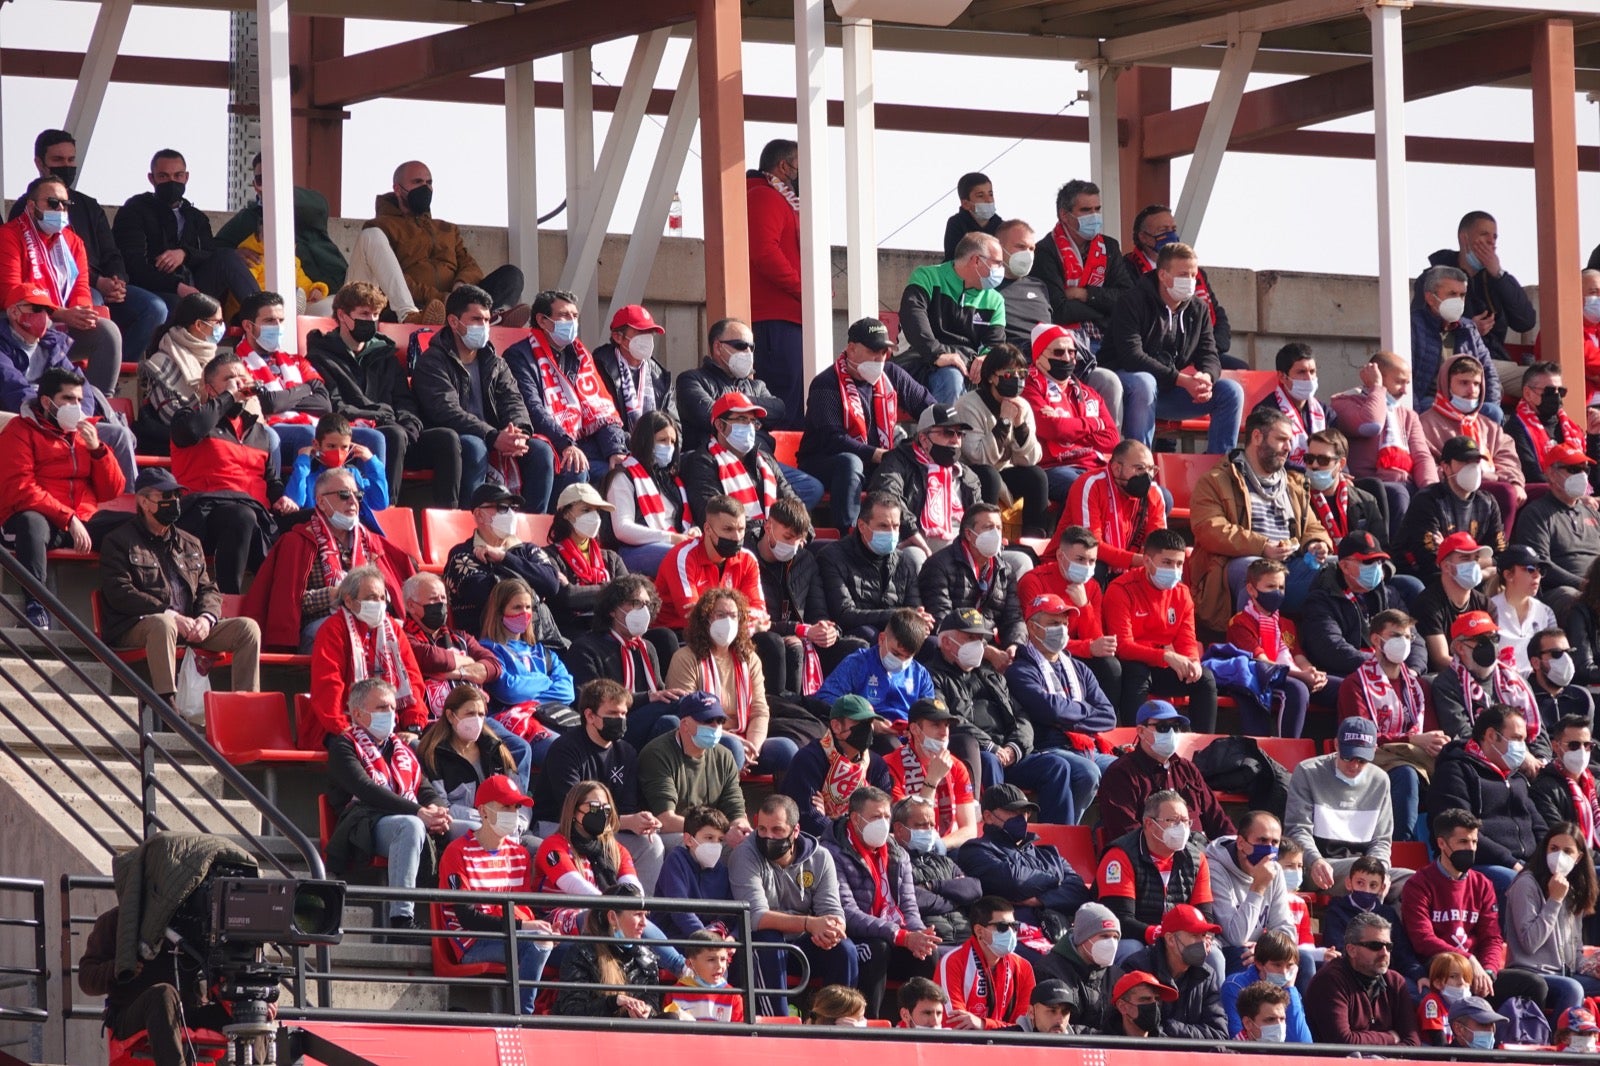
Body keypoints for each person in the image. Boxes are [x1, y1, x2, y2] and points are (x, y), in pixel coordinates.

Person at [98, 468, 262, 706]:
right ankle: (168, 708)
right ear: (144, 502)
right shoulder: (118, 541)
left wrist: (206, 618)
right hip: (136, 625)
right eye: (166, 497)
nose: (174, 502)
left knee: (248, 628)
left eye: (177, 496)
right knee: (163, 624)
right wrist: (171, 614)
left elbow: (208, 589)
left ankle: (246, 707)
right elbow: (120, 592)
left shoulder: (189, 542)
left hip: (189, 625)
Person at [11, 129, 165, 371]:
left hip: (97, 288)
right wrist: (97, 285)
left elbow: (111, 252)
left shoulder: (88, 206)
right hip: (58, 296)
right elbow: (19, 283)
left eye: (71, 160)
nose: (67, 166)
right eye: (58, 160)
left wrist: (117, 281)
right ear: (40, 164)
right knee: (94, 303)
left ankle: (119, 368)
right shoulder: (22, 212)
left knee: (155, 308)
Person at [305, 281, 464, 508]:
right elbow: (336, 406)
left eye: (375, 314)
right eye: (364, 314)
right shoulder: (321, 356)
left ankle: (448, 517)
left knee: (446, 438)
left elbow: (404, 401)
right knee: (394, 434)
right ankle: (388, 511)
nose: (370, 321)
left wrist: (410, 426)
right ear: (342, 315)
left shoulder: (385, 356)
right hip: (353, 437)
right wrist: (381, 415)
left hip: (396, 433)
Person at [0, 365, 125, 627]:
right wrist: (68, 518)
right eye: (68, 399)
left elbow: (112, 491)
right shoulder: (19, 431)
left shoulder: (86, 434)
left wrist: (98, 451)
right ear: (47, 402)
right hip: (37, 518)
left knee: (135, 524)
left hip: (82, 519)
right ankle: (36, 604)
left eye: (79, 399)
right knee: (31, 522)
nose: (76, 405)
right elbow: (21, 488)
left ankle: (130, 608)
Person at [412, 284, 554, 511]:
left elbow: (514, 401)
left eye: (487, 320)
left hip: (495, 435)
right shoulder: (432, 362)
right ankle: (472, 524)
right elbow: (446, 411)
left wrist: (518, 433)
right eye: (476, 319)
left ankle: (531, 534)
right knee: (475, 446)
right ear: (453, 322)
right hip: (454, 439)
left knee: (540, 451)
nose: (484, 326)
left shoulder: (495, 362)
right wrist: (492, 436)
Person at [1190, 406, 1332, 633]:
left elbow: (1312, 526)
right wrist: (1262, 546)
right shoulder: (1216, 480)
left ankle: (1324, 648)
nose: (1289, 447)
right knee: (1256, 571)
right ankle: (1252, 649)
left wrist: (1316, 543)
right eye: (1282, 439)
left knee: (1341, 569)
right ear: (1257, 437)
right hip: (1239, 566)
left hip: (1290, 566)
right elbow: (1209, 529)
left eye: (1290, 440)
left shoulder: (1293, 483)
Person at [242, 466, 414, 653]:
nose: (352, 501)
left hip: (371, 622)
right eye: (343, 494)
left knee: (396, 634)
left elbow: (397, 592)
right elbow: (286, 603)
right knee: (349, 631)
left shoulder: (371, 543)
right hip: (321, 628)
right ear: (321, 502)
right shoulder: (296, 542)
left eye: (357, 496)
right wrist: (332, 595)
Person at [326, 677, 449, 928]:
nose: (391, 714)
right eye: (383, 708)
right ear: (358, 714)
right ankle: (401, 919)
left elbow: (424, 788)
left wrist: (437, 808)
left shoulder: (401, 748)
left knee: (468, 827)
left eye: (393, 708)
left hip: (404, 816)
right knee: (411, 826)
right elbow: (367, 790)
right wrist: (419, 813)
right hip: (364, 824)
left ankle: (462, 920)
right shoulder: (343, 746)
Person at [168, 351, 296, 594]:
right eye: (229, 378)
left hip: (257, 514)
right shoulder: (189, 418)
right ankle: (229, 598)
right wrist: (228, 396)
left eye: (242, 377)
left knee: (314, 518)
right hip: (205, 514)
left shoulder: (258, 432)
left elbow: (271, 480)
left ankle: (306, 602)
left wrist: (281, 497)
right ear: (209, 388)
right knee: (242, 516)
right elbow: (192, 431)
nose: (238, 383)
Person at [1402, 806, 1552, 1008]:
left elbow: (1492, 937)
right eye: (1463, 842)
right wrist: (1467, 959)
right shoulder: (1419, 884)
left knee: (1535, 985)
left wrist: (1488, 971)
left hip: (1477, 972)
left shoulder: (1482, 884)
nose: (1471, 848)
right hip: (1440, 969)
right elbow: (1423, 940)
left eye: (1474, 842)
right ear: (1442, 843)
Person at [1106, 241, 1244, 455]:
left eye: (1193, 276)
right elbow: (1132, 357)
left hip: (1169, 392)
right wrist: (1182, 380)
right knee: (1145, 381)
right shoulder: (1132, 301)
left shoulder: (1198, 309)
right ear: (1163, 275)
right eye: (1183, 275)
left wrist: (1206, 377)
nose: (1190, 281)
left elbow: (1209, 353)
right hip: (1129, 388)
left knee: (1231, 391)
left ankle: (1219, 471)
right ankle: (1138, 464)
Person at [798, 316, 932, 533]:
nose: (879, 358)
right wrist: (875, 454)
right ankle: (848, 534)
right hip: (825, 462)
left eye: (883, 352)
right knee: (851, 463)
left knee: (910, 455)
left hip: (877, 460)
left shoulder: (891, 374)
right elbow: (832, 440)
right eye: (873, 351)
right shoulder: (826, 383)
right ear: (851, 349)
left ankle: (913, 530)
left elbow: (929, 408)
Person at [727, 793, 856, 1017]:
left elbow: (833, 911)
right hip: (764, 944)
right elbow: (755, 917)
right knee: (768, 940)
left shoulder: (821, 857)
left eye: (777, 830)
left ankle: (837, 1020)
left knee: (844, 950)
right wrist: (809, 923)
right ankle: (778, 1022)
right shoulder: (744, 855)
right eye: (762, 829)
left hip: (803, 943)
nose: (768, 837)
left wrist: (832, 930)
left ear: (795, 831)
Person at [433, 774, 554, 1014]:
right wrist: (524, 927)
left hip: (515, 934)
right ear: (483, 812)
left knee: (579, 947)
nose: (514, 813)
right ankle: (523, 1017)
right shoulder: (457, 852)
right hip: (472, 942)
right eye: (506, 806)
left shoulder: (519, 854)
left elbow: (523, 908)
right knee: (538, 943)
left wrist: (533, 926)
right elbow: (468, 919)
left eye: (516, 807)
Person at [352, 160, 525, 324]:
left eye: (429, 182)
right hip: (418, 305)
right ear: (398, 189)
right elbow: (391, 278)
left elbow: (470, 266)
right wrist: (440, 298)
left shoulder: (447, 229)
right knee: (409, 299)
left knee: (512, 274)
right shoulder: (381, 227)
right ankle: (467, 318)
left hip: (459, 302)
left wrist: (461, 286)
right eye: (418, 182)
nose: (425, 188)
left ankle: (494, 317)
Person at [532, 681, 665, 890]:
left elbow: (627, 807)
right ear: (590, 716)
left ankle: (638, 914)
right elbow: (570, 808)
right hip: (558, 828)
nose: (620, 720)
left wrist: (641, 822)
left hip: (604, 830)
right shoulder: (566, 749)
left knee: (651, 845)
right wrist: (627, 822)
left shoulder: (627, 752)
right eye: (612, 713)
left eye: (623, 714)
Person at [820, 785, 939, 1016]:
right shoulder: (831, 853)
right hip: (856, 938)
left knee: (929, 953)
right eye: (876, 817)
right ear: (855, 818)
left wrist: (919, 936)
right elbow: (847, 912)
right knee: (878, 949)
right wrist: (901, 935)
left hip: (893, 934)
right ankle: (869, 1024)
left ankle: (919, 1023)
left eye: (886, 816)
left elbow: (908, 906)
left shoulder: (897, 853)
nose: (883, 823)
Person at [0, 174, 123, 396]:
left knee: (108, 333)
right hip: (22, 322)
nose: (60, 209)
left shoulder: (73, 241)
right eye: (53, 203)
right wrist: (60, 314)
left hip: (63, 323)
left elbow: (81, 287)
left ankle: (97, 403)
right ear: (31, 206)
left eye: (65, 205)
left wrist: (80, 313)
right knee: (40, 322)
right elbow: (11, 292)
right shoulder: (8, 236)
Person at [0, 284, 135, 484]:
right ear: (13, 311)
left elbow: (80, 385)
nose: (43, 316)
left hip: (63, 421)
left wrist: (80, 417)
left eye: (47, 311)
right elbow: (14, 388)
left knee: (119, 436)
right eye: (36, 309)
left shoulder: (53, 344)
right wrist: (50, 415)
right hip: (22, 420)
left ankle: (130, 505)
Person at [675, 318, 820, 504]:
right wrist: (751, 409)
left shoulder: (756, 385)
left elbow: (778, 409)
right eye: (741, 346)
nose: (748, 353)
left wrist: (736, 405)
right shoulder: (692, 380)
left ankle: (774, 529)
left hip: (759, 462)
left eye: (752, 347)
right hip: (715, 464)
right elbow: (707, 415)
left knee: (810, 487)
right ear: (718, 347)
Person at [1004, 593, 1117, 823]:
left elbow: (1108, 716)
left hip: (1087, 747)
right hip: (1048, 747)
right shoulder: (1020, 670)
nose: (1062, 629)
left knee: (1126, 770)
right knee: (1087, 773)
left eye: (1065, 624)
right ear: (1032, 628)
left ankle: (1109, 838)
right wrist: (1084, 709)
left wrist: (1067, 712)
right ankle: (1067, 836)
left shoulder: (1079, 668)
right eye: (1054, 623)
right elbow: (1049, 710)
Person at [503, 288, 629, 496]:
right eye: (563, 316)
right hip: (548, 442)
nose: (571, 321)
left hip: (583, 443)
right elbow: (532, 408)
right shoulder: (519, 356)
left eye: (574, 316)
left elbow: (601, 411)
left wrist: (615, 450)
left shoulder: (579, 355)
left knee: (627, 467)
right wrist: (566, 444)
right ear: (542, 321)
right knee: (575, 467)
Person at [78, 901, 233, 1066]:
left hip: (189, 1013)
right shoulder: (119, 920)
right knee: (163, 994)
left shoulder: (200, 922)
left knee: (250, 1003)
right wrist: (117, 968)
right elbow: (86, 979)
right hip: (133, 1015)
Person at [1335, 609, 1444, 842]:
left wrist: (1438, 742)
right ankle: (1401, 845)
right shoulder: (1355, 684)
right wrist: (1411, 740)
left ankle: (1445, 846)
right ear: (1376, 639)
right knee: (1405, 773)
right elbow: (1360, 737)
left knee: (1455, 768)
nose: (1403, 643)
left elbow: (1430, 730)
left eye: (1408, 637)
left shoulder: (1418, 687)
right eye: (1396, 636)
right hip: (1374, 758)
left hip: (1418, 756)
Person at [113, 149, 258, 311]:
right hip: (154, 290)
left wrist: (184, 253)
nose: (172, 182)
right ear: (151, 178)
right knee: (174, 306)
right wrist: (176, 286)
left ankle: (262, 314)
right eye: (163, 176)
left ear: (186, 177)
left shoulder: (196, 217)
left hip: (196, 285)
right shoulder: (134, 210)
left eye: (178, 175)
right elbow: (132, 264)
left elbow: (209, 251)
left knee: (226, 257)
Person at [1101, 528, 1218, 729]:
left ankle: (1203, 749)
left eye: (1179, 564)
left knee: (1204, 678)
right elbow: (1123, 647)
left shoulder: (1182, 593)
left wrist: (1192, 662)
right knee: (1136, 671)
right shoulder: (1121, 590)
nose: (1174, 570)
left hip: (1163, 663)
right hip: (1133, 664)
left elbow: (1187, 638)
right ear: (1147, 561)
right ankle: (1132, 741)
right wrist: (1164, 656)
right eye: (1167, 562)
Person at [1429, 709, 1548, 897]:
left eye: (1524, 740)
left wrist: (1550, 860)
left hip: (1525, 865)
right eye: (1516, 739)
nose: (1522, 748)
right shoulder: (1455, 771)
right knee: (1517, 883)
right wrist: (1511, 863)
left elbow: (1539, 826)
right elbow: (1459, 829)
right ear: (1491, 735)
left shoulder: (1517, 779)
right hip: (1482, 864)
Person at [305, 565, 426, 749]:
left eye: (381, 598)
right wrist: (343, 728)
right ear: (349, 600)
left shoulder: (392, 629)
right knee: (359, 750)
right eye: (371, 598)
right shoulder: (333, 629)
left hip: (390, 725)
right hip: (342, 726)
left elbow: (412, 678)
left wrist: (413, 725)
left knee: (418, 748)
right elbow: (328, 683)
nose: (378, 603)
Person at [229, 291, 346, 469]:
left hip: (311, 424)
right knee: (308, 434)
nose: (277, 326)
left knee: (373, 437)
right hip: (268, 430)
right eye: (269, 321)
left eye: (280, 320)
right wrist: (306, 389)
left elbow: (324, 404)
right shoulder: (236, 364)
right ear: (248, 326)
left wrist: (282, 399)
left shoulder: (297, 360)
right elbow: (268, 405)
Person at [751, 498, 855, 696]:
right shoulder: (747, 558)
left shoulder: (805, 560)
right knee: (788, 645)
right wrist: (800, 630)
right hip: (765, 638)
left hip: (803, 636)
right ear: (768, 526)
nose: (793, 546)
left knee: (854, 647)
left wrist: (826, 630)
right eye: (788, 537)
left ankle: (833, 709)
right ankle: (788, 707)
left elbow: (818, 612)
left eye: (799, 540)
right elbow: (755, 622)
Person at [1284, 718, 1399, 893]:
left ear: (1374, 751)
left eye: (1362, 760)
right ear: (1336, 745)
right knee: (1364, 876)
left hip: (1364, 866)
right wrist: (1314, 860)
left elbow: (1381, 840)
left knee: (1413, 882)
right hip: (1320, 865)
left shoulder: (1380, 780)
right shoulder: (1308, 772)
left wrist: (1379, 869)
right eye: (1347, 757)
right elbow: (1297, 829)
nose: (1354, 765)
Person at [215, 152, 346, 305]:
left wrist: (280, 192)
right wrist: (235, 253)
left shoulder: (306, 206)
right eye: (262, 178)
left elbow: (320, 206)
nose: (269, 182)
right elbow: (215, 249)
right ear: (256, 185)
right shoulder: (247, 218)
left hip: (330, 288)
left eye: (274, 175)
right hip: (286, 299)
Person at [1331, 351, 1439, 536]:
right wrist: (1377, 388)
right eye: (1399, 382)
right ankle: (1398, 555)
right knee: (1398, 494)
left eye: (1407, 383)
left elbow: (1422, 456)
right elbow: (1371, 424)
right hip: (1368, 484)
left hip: (1405, 483)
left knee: (1434, 497)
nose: (1405, 390)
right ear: (1377, 375)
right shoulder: (1344, 402)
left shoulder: (1408, 415)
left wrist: (1432, 489)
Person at [957, 784, 1090, 934]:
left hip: (1057, 932)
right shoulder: (975, 850)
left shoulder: (1049, 854)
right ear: (988, 817)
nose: (1022, 817)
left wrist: (1040, 900)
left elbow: (1080, 894)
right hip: (1008, 934)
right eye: (1013, 811)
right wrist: (1057, 879)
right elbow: (1014, 882)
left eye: (1025, 812)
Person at [866, 403, 986, 568]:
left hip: (962, 546)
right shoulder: (899, 461)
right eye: (948, 432)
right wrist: (912, 532)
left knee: (1018, 560)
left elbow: (979, 518)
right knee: (914, 556)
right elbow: (886, 493)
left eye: (960, 434)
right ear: (923, 439)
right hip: (916, 543)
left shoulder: (968, 477)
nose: (955, 440)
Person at [896, 232, 1008, 404]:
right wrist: (938, 355)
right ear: (976, 260)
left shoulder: (995, 300)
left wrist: (986, 358)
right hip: (919, 359)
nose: (1002, 269)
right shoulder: (927, 277)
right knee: (952, 377)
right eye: (998, 263)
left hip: (967, 367)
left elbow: (994, 343)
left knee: (1009, 380)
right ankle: (944, 431)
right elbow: (913, 319)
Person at [1096, 790, 1216, 950]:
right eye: (1172, 821)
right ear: (1149, 824)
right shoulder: (1120, 856)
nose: (1181, 828)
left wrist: (1202, 937)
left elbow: (1205, 915)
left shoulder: (1197, 859)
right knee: (1130, 949)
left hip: (1180, 939)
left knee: (1215, 955)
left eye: (1186, 821)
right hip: (1135, 937)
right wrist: (1159, 935)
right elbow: (1119, 918)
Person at [1418, 210, 1537, 370]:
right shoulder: (1435, 278)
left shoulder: (1495, 280)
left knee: (1544, 382)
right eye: (1484, 234)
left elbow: (1525, 322)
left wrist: (1499, 275)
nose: (1491, 242)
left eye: (1494, 237)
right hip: (1453, 361)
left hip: (1493, 361)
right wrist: (1467, 329)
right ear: (1464, 238)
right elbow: (1420, 325)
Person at [952, 343, 1050, 536]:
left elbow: (1030, 459)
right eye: (1007, 375)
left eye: (1021, 375)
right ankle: (985, 534)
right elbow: (978, 457)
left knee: (1037, 476)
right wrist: (1004, 422)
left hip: (1001, 470)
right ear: (990, 377)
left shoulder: (1022, 405)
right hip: (971, 472)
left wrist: (1020, 425)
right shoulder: (968, 405)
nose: (1015, 380)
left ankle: (1034, 539)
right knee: (990, 476)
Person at [1302, 531, 1427, 680]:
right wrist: (1381, 665)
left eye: (1379, 562)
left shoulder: (1389, 594)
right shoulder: (1321, 600)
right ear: (1345, 566)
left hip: (1393, 671)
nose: (1376, 567)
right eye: (1368, 562)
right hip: (1351, 676)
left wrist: (1413, 670)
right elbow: (1331, 648)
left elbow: (1414, 638)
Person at [1018, 526, 1121, 707]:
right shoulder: (1034, 580)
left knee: (1110, 666)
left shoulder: (1093, 587)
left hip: (1073, 653)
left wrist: (1084, 606)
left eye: (1092, 561)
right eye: (1080, 559)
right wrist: (1088, 647)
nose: (1087, 567)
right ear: (1060, 556)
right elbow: (1035, 639)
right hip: (1040, 654)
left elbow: (1095, 641)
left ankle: (1104, 724)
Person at [441, 483, 561, 638]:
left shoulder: (528, 549)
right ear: (479, 514)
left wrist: (504, 558)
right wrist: (535, 585)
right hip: (489, 644)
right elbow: (490, 595)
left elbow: (551, 584)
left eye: (513, 507)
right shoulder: (462, 555)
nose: (510, 513)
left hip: (540, 639)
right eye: (502, 507)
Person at [1029, 179, 1134, 355]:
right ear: (1064, 215)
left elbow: (1127, 299)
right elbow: (1059, 310)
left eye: (1097, 209)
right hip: (1068, 345)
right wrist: (1103, 310)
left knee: (1144, 381)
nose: (1094, 215)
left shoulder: (1109, 247)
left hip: (1110, 339)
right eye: (1086, 210)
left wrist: (1085, 294)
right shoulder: (1045, 251)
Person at [1504, 822, 1600, 1014]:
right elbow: (1530, 943)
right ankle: (1562, 1040)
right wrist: (1554, 900)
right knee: (1572, 988)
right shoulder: (1526, 883)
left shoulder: (1573, 889)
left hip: (1564, 973)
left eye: (1567, 851)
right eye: (1554, 849)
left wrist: (1592, 967)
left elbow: (1575, 952)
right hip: (1529, 974)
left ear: (1579, 858)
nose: (1559, 856)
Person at [477, 578, 574, 763]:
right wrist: (545, 680)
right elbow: (510, 691)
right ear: (499, 612)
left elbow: (567, 692)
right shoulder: (487, 649)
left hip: (550, 718)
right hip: (513, 725)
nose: (525, 613)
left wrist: (529, 696)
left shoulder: (542, 651)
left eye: (528, 607)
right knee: (563, 752)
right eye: (517, 607)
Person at [1419, 355, 1524, 524]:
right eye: (1463, 383)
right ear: (1446, 385)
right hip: (1453, 490)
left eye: (1476, 383)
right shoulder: (1425, 423)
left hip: (1495, 483)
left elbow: (1508, 459)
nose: (1472, 390)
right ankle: (1498, 548)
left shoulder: (1489, 426)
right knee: (1506, 493)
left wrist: (1514, 482)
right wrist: (1472, 476)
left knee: (1543, 493)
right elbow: (1426, 466)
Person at [637, 688, 753, 841]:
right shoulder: (657, 754)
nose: (715, 726)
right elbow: (665, 820)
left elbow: (735, 808)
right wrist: (719, 832)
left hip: (711, 833)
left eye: (719, 721)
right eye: (707, 721)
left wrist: (740, 827)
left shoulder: (724, 756)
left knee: (745, 845)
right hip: (667, 835)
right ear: (684, 724)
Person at [531, 779, 646, 932]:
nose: (600, 814)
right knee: (603, 919)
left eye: (606, 809)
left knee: (636, 920)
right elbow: (575, 885)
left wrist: (629, 908)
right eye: (593, 807)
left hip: (609, 913)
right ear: (573, 811)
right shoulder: (553, 845)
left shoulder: (615, 849)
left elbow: (633, 887)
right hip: (559, 918)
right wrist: (613, 910)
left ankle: (676, 957)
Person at [1022, 323, 1119, 503]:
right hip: (1053, 468)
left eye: (1072, 352)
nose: (1067, 358)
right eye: (1058, 352)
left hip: (1092, 465)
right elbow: (1052, 429)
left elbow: (1112, 438)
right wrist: (1094, 424)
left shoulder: (1089, 393)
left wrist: (1069, 426)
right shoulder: (1029, 388)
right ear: (1039, 356)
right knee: (1086, 489)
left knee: (1157, 494)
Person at [745, 139, 805, 429]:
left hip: (788, 317)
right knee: (782, 407)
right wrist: (804, 289)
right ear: (784, 166)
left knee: (794, 404)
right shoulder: (764, 197)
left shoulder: (780, 200)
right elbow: (765, 253)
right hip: (775, 320)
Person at [920, 503, 1026, 668]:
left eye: (999, 528)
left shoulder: (1005, 570)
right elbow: (941, 621)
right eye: (988, 527)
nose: (996, 534)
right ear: (969, 534)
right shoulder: (939, 565)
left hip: (990, 644)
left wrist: (1014, 644)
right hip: (957, 645)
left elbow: (1014, 618)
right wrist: (985, 650)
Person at [1430, 614, 1546, 763]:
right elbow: (1463, 734)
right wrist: (1520, 757)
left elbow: (1539, 731)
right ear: (1460, 647)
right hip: (1480, 765)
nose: (1490, 646)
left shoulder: (1516, 682)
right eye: (1482, 641)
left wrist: (1540, 760)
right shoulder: (1447, 684)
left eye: (1494, 638)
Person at [1125, 205, 1234, 362]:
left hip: (1199, 351)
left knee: (1237, 371)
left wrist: (1211, 348)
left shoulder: (1197, 273)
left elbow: (1218, 315)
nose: (1170, 234)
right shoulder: (1128, 269)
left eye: (1173, 229)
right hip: (1155, 352)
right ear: (1144, 237)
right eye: (1163, 230)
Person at [1225, 558, 1321, 737]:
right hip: (1262, 680)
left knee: (1342, 687)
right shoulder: (1240, 622)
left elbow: (1298, 656)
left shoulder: (1286, 623)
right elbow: (1263, 663)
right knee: (1298, 689)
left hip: (1292, 674)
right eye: (1270, 587)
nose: (1277, 593)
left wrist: (1312, 672)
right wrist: (1302, 676)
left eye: (1281, 588)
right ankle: (1286, 750)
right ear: (1251, 590)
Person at [681, 391, 797, 538]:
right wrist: (767, 535)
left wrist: (802, 531)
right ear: (719, 425)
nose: (749, 426)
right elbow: (714, 516)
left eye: (752, 421)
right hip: (737, 546)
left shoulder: (765, 459)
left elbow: (791, 500)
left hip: (778, 542)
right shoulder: (703, 463)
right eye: (742, 419)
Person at [1398, 435, 1507, 586]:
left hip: (1474, 580)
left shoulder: (1487, 503)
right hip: (1428, 580)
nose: (1473, 467)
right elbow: (1432, 561)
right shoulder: (1428, 501)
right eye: (1465, 462)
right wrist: (1481, 563)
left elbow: (1501, 556)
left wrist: (1463, 562)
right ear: (1446, 467)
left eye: (1476, 461)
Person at [817, 492, 926, 642]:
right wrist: (898, 615)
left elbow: (914, 609)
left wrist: (921, 621)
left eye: (896, 526)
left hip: (896, 636)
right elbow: (844, 615)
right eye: (883, 526)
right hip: (852, 636)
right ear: (862, 526)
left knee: (930, 644)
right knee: (868, 634)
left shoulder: (905, 561)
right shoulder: (833, 557)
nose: (892, 533)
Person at [1206, 814, 1307, 974]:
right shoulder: (1214, 869)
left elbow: (1285, 927)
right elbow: (1235, 937)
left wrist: (1265, 950)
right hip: (1227, 950)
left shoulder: (1274, 869)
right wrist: (1258, 886)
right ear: (1241, 843)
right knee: (1242, 957)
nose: (1269, 848)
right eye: (1262, 840)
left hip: (1258, 949)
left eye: (1274, 842)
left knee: (1304, 960)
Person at [602, 410, 700, 573]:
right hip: (632, 551)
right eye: (662, 440)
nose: (669, 447)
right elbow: (622, 529)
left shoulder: (672, 481)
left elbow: (680, 522)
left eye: (672, 442)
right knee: (680, 556)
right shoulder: (623, 476)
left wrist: (693, 531)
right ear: (645, 441)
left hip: (673, 544)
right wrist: (670, 538)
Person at [415, 686, 518, 839]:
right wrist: (487, 821)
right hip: (459, 829)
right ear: (450, 716)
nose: (476, 719)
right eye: (470, 713)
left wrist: (516, 826)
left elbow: (519, 799)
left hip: (509, 830)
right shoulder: (433, 755)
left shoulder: (497, 750)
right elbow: (441, 805)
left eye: (481, 714)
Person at [782, 694, 894, 836]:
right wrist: (854, 831)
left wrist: (833, 822)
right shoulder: (809, 759)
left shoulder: (877, 765)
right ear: (836, 726)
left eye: (870, 723)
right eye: (860, 723)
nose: (868, 729)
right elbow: (809, 818)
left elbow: (884, 816)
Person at [1115, 903, 1230, 1039]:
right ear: (1170, 939)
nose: (1202, 943)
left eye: (1204, 935)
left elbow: (1219, 1034)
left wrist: (1171, 1029)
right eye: (1194, 935)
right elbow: (1133, 1027)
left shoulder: (1207, 976)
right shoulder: (1137, 967)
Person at [653, 494, 766, 632]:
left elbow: (760, 612)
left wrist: (722, 615)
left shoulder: (748, 559)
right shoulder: (683, 557)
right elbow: (692, 616)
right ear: (707, 529)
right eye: (728, 529)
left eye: (741, 529)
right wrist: (740, 615)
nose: (736, 537)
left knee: (772, 642)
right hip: (680, 632)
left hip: (731, 631)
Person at [1057, 438, 1166, 580]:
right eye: (1139, 469)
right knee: (1096, 567)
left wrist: (1150, 562)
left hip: (1130, 566)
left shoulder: (1154, 493)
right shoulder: (1091, 485)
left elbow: (1159, 545)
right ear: (1116, 468)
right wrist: (1137, 560)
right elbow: (1090, 546)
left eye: (1151, 469)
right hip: (1075, 564)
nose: (1147, 476)